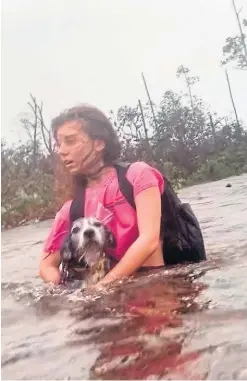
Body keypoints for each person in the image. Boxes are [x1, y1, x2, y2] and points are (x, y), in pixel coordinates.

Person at [39, 104, 205, 287]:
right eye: (59, 144)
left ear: (99, 143)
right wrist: (68, 290)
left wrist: (103, 286)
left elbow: (149, 241)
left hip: (160, 283)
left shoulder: (137, 176)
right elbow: (46, 265)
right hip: (114, 293)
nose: (62, 151)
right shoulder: (71, 209)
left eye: (70, 141)